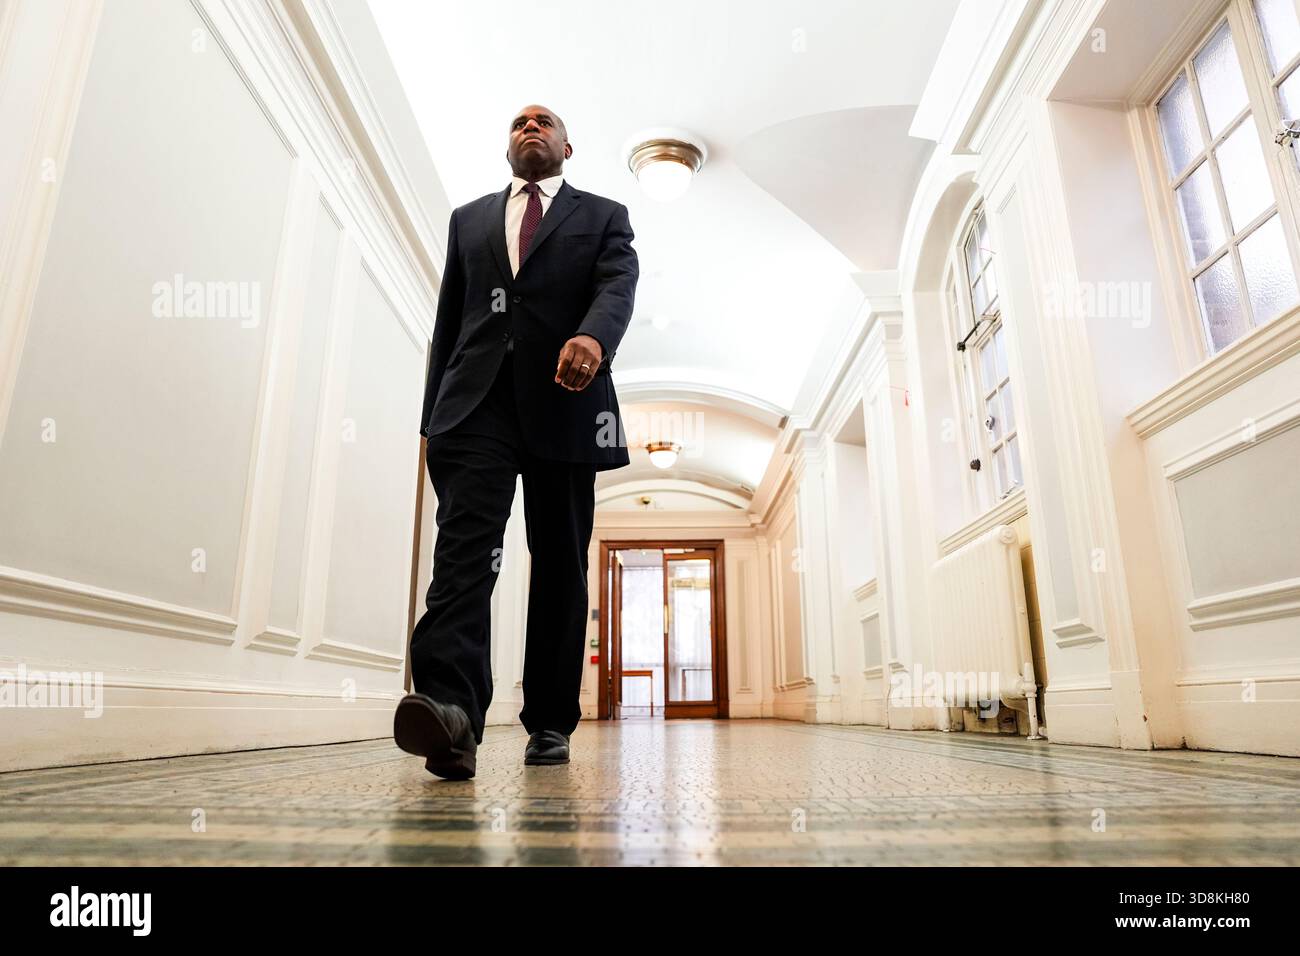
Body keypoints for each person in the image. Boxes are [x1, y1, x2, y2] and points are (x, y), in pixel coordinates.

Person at [393, 104, 639, 779]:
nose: (529, 127)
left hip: (567, 399)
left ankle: (550, 721)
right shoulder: (468, 219)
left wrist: (593, 337)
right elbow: (449, 324)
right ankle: (450, 714)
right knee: (464, 552)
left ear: (567, 145)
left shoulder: (603, 215)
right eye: (517, 123)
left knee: (559, 562)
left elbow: (618, 284)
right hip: (476, 409)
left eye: (544, 121)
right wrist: (430, 422)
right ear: (509, 147)